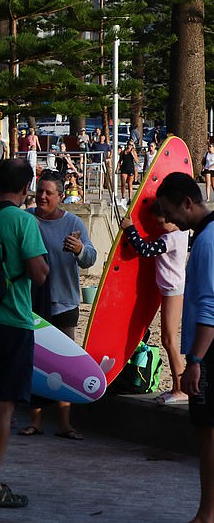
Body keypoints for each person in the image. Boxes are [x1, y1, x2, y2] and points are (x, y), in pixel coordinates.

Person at [0, 158, 48, 507]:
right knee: (4, 407)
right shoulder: (22, 220)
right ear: (25, 187)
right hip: (12, 320)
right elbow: (39, 273)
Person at [154, 172, 214, 523]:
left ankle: (206, 513)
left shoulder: (205, 241)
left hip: (207, 353)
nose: (169, 219)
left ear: (187, 203)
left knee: (207, 435)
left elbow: (208, 306)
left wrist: (195, 361)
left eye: (169, 210)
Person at [19, 170, 96, 440]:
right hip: (29, 303)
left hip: (65, 302)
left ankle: (65, 424)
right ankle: (36, 421)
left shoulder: (73, 222)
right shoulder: (25, 218)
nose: (42, 196)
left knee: (66, 365)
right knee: (35, 360)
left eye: (48, 192)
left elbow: (90, 258)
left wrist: (79, 250)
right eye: (39, 191)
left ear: (60, 196)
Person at [121, 204, 189, 403]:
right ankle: (179, 386)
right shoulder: (182, 233)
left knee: (169, 340)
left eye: (160, 223)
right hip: (169, 290)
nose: (159, 227)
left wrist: (130, 229)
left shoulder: (171, 238)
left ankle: (180, 388)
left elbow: (144, 250)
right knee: (168, 339)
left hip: (173, 291)